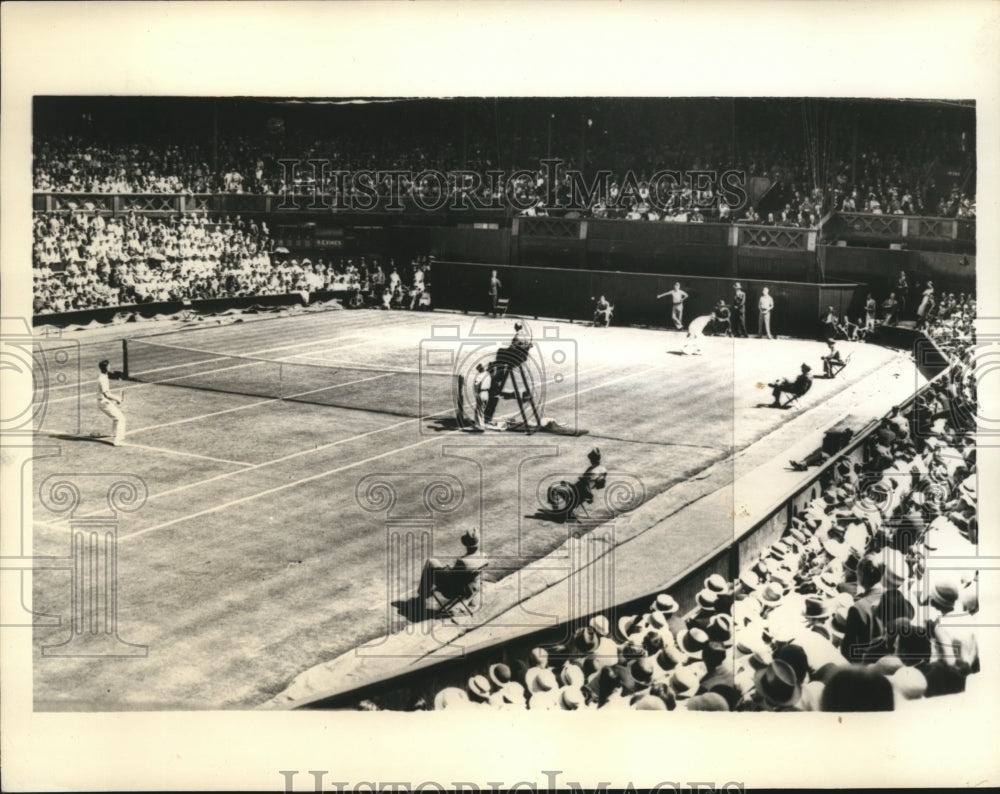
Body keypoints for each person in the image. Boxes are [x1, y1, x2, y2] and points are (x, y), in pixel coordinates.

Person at [417, 529, 487, 603]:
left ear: (466, 545)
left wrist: (445, 570)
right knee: (435, 565)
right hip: (472, 588)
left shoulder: (462, 561)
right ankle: (424, 593)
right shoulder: (484, 556)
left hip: (453, 592)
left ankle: (422, 595)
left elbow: (452, 579)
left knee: (430, 563)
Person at [96, 359, 126, 446]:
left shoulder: (103, 376)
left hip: (103, 401)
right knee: (121, 419)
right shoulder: (103, 379)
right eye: (109, 366)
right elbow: (106, 394)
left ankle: (113, 434)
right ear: (106, 367)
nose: (110, 367)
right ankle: (118, 440)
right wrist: (117, 399)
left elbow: (112, 375)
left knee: (116, 418)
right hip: (103, 402)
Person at [472, 362, 491, 430]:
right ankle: (478, 424)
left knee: (479, 409)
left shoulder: (480, 376)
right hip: (487, 393)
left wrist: (476, 394)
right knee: (482, 409)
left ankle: (480, 426)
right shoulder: (488, 375)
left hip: (481, 393)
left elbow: (476, 385)